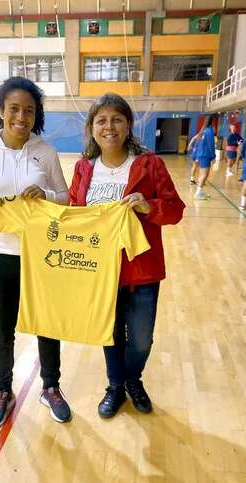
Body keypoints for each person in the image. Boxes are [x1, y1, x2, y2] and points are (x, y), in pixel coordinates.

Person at [0, 77, 71, 427]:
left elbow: (65, 198)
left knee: (47, 325)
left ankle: (50, 387)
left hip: (42, 257)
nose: (21, 117)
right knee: (2, 331)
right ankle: (3, 392)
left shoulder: (45, 152)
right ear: (1, 110)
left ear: (37, 115)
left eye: (29, 111)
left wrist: (46, 195)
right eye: (14, 109)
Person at [69, 93, 185, 418]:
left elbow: (175, 210)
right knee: (110, 333)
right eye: (102, 121)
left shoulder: (149, 164)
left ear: (128, 125)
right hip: (100, 269)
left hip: (142, 269)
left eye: (117, 119)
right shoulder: (83, 168)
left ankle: (133, 379)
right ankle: (116, 386)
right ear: (92, 128)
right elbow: (75, 211)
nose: (109, 127)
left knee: (141, 339)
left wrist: (149, 206)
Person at [194, 115, 216, 200]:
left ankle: (199, 191)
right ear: (212, 121)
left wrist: (197, 155)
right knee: (204, 175)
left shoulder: (203, 130)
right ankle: (198, 193)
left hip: (201, 155)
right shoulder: (209, 131)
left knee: (202, 174)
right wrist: (213, 156)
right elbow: (211, 145)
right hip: (205, 155)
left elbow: (198, 143)